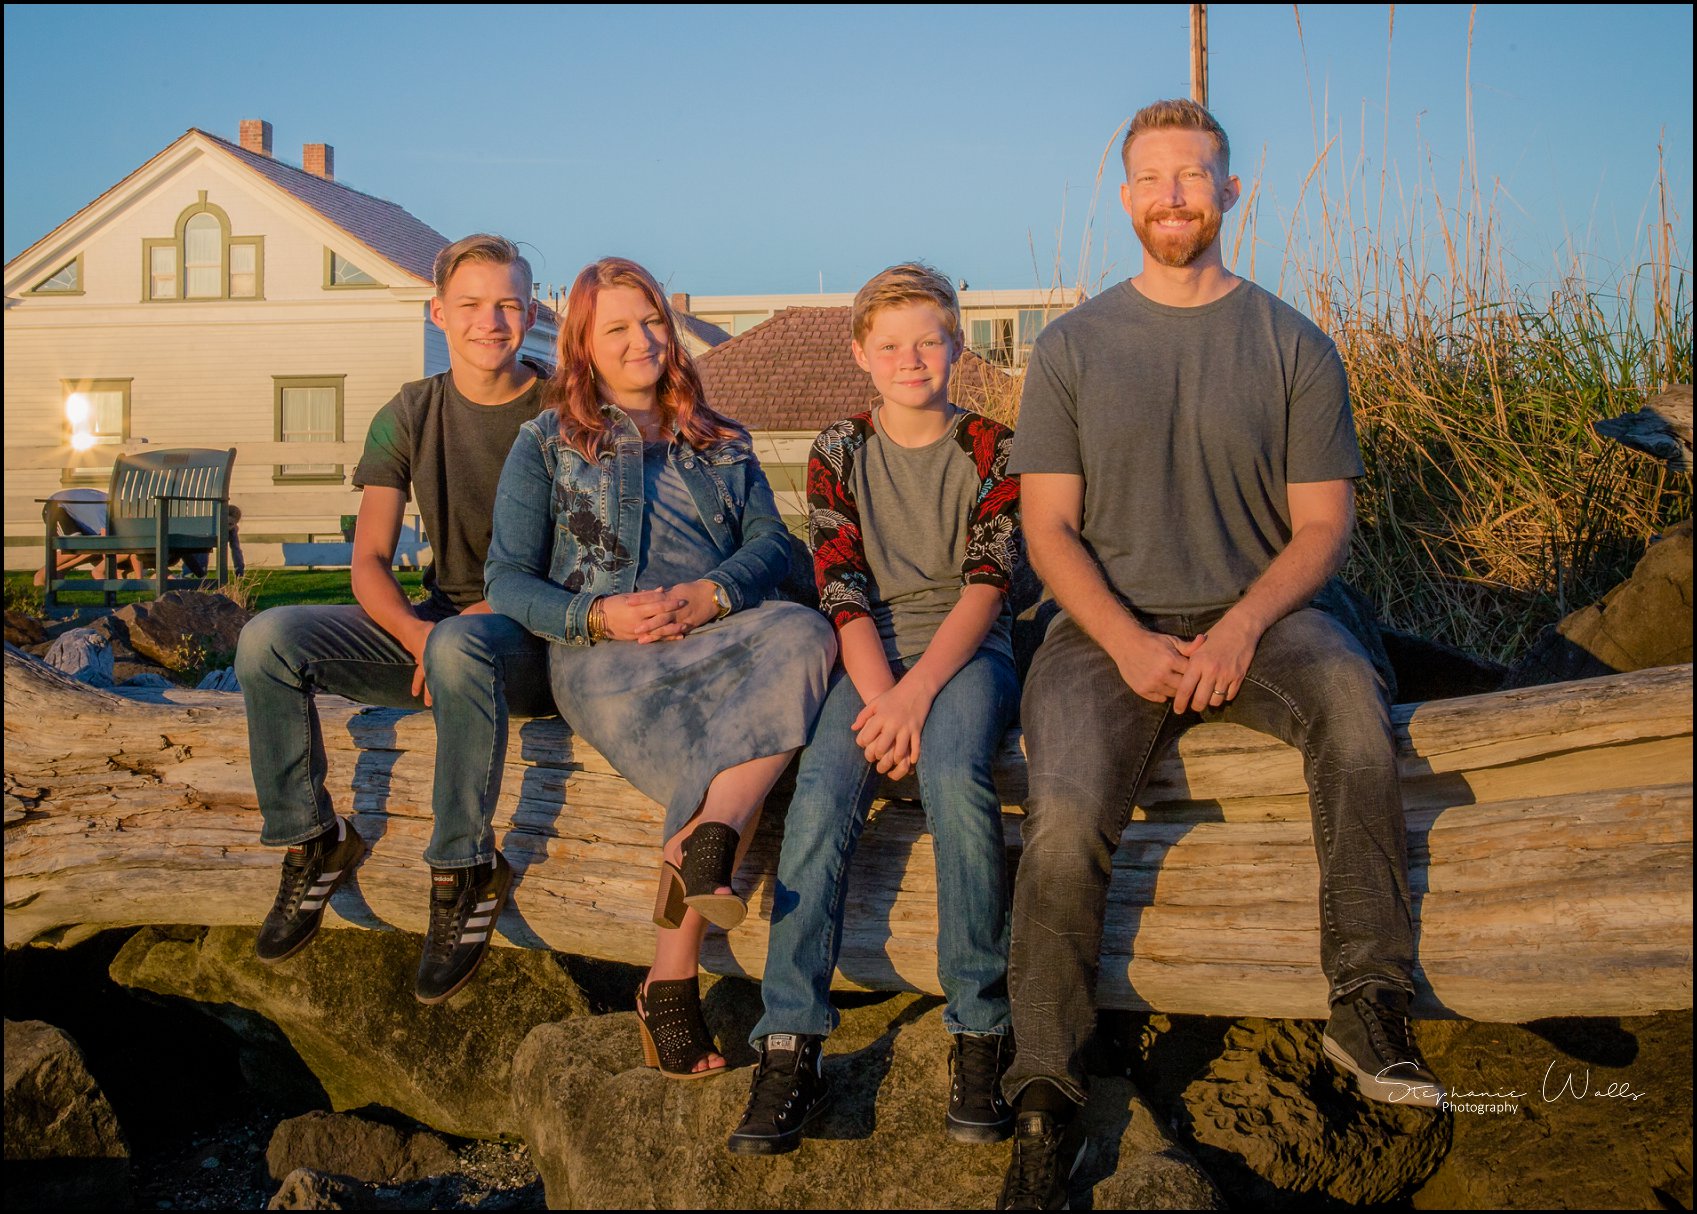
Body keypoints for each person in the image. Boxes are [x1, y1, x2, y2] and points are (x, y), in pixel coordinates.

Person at [997, 99, 1444, 1210]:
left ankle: (1367, 1004)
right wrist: (1126, 640)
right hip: (1107, 622)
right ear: (1124, 197)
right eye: (1150, 178)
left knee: (1348, 707)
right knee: (1058, 817)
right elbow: (1046, 527)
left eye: (1192, 176)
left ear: (1231, 192)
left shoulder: (1291, 343)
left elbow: (1321, 529)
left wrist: (1241, 627)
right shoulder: (1069, 348)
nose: (1171, 196)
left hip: (1267, 612)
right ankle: (1047, 1088)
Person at [485, 256, 836, 1079]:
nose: (641, 339)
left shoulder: (720, 440)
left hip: (721, 635)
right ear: (583, 345)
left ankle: (704, 858)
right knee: (749, 717)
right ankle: (676, 963)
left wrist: (712, 596)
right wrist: (596, 614)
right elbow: (505, 577)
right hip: (608, 657)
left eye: (650, 320)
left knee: (805, 632)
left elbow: (770, 548)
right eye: (618, 327)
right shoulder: (544, 443)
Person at [725, 264, 1022, 1155]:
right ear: (860, 353)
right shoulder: (837, 449)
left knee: (954, 777)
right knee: (817, 799)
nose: (911, 358)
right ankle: (790, 1043)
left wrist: (918, 694)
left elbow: (988, 582)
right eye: (889, 344)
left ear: (956, 345)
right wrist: (879, 693)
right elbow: (841, 584)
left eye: (929, 339)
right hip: (869, 649)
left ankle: (978, 1029)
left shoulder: (994, 446)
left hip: (967, 653)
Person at [235, 233, 555, 1004]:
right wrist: (418, 634)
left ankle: (464, 870)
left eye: (508, 303)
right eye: (472, 305)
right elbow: (369, 561)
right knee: (265, 641)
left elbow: (577, 563)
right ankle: (313, 840)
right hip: (438, 634)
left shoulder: (563, 408)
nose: (491, 321)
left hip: (535, 636)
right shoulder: (410, 411)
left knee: (458, 645)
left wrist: (449, 637)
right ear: (438, 311)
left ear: (532, 311)